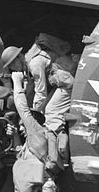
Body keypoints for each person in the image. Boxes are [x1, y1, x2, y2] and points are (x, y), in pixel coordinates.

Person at [25, 33, 76, 169]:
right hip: (62, 79)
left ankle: (58, 158)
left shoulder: (34, 64)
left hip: (65, 81)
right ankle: (58, 154)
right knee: (48, 110)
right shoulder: (32, 60)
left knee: (52, 112)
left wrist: (33, 115)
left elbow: (40, 92)